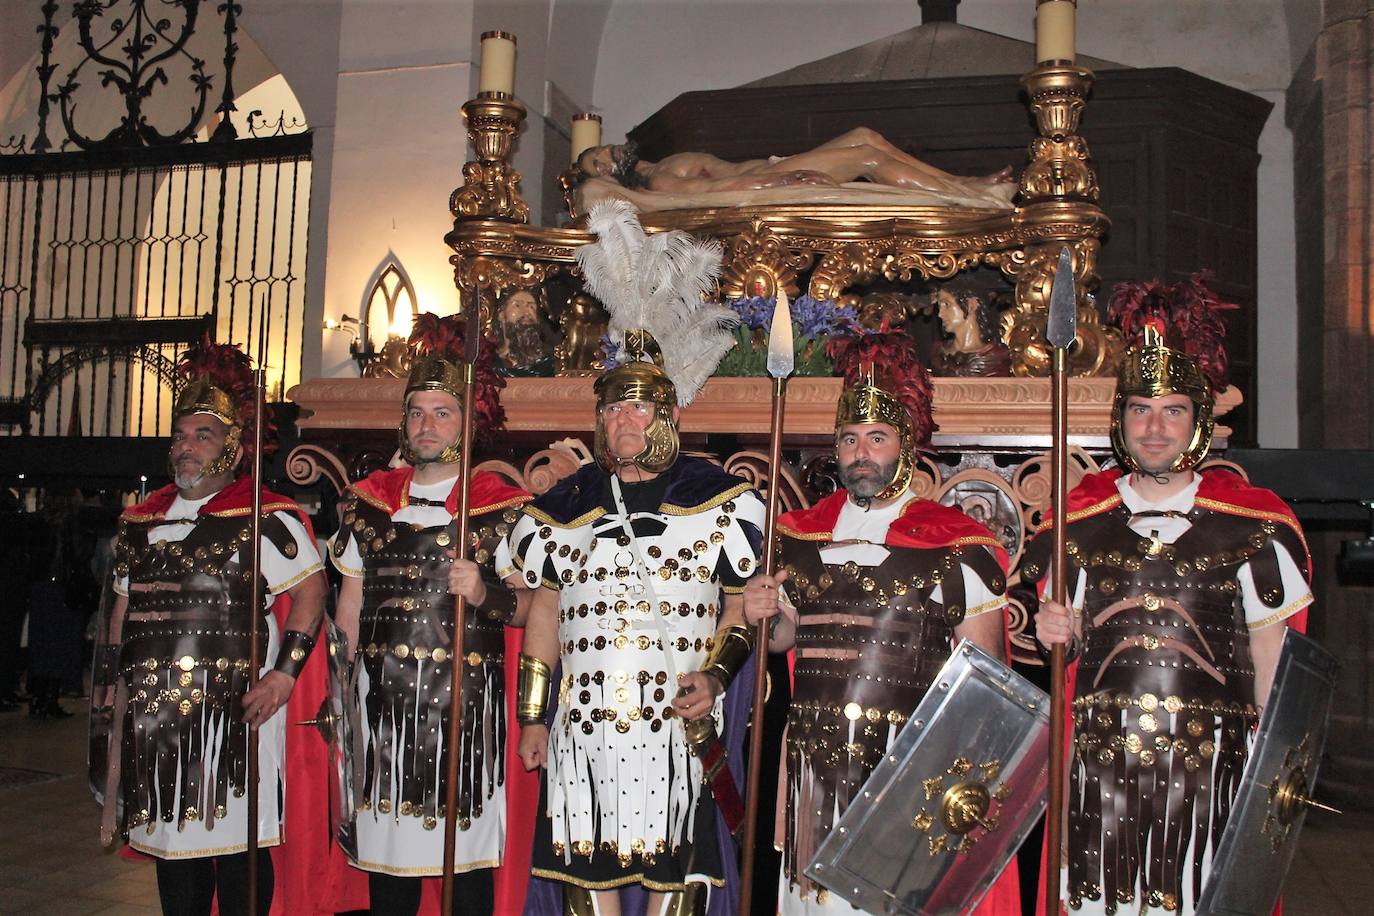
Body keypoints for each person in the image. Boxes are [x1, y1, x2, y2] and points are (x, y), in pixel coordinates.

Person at [501, 200, 765, 915]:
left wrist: (715, 676)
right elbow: (547, 610)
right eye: (614, 409)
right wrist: (532, 717)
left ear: (669, 417)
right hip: (584, 729)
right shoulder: (564, 505)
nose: (624, 421)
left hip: (674, 730)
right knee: (588, 887)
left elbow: (739, 606)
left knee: (676, 884)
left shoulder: (722, 501)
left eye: (640, 408)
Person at [1025, 276, 1313, 915]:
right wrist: (1057, 639)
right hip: (1099, 774)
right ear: (1121, 420)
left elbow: (1274, 668)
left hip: (1211, 771)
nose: (1155, 428)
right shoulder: (1076, 525)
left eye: (1173, 410)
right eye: (1139, 410)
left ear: (1197, 421)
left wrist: (1268, 783)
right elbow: (1065, 666)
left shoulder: (1253, 528)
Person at [742, 329, 1022, 915]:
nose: (861, 453)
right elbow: (789, 639)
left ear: (905, 445)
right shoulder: (798, 534)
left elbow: (985, 685)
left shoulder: (955, 544)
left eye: (876, 437)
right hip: (814, 762)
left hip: (905, 769)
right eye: (849, 439)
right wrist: (764, 614)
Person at [90, 337, 329, 915]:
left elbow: (311, 593)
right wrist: (110, 701)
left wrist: (282, 678)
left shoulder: (265, 517)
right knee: (173, 851)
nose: (186, 447)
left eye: (204, 435)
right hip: (156, 716)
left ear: (235, 448)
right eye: (180, 435)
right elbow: (120, 616)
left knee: (241, 850)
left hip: (234, 710)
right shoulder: (139, 523)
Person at [329, 313, 531, 915]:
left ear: (469, 424)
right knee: (387, 862)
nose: (426, 424)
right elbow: (350, 605)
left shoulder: (503, 511)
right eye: (417, 411)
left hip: (464, 716)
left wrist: (485, 595)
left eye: (442, 412)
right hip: (381, 708)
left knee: (462, 865)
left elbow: (532, 610)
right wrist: (340, 693)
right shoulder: (368, 504)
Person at [573, 127, 1016, 207]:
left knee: (867, 136)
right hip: (773, 176)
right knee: (867, 157)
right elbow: (714, 193)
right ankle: (967, 194)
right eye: (598, 163)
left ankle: (961, 181)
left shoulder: (663, 161)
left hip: (774, 168)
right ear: (611, 176)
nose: (606, 154)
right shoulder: (657, 178)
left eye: (600, 151)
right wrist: (780, 179)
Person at [931, 287, 1012, 377]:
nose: (940, 314)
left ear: (971, 304)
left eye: (947, 304)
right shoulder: (939, 354)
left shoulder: (996, 357)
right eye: (939, 307)